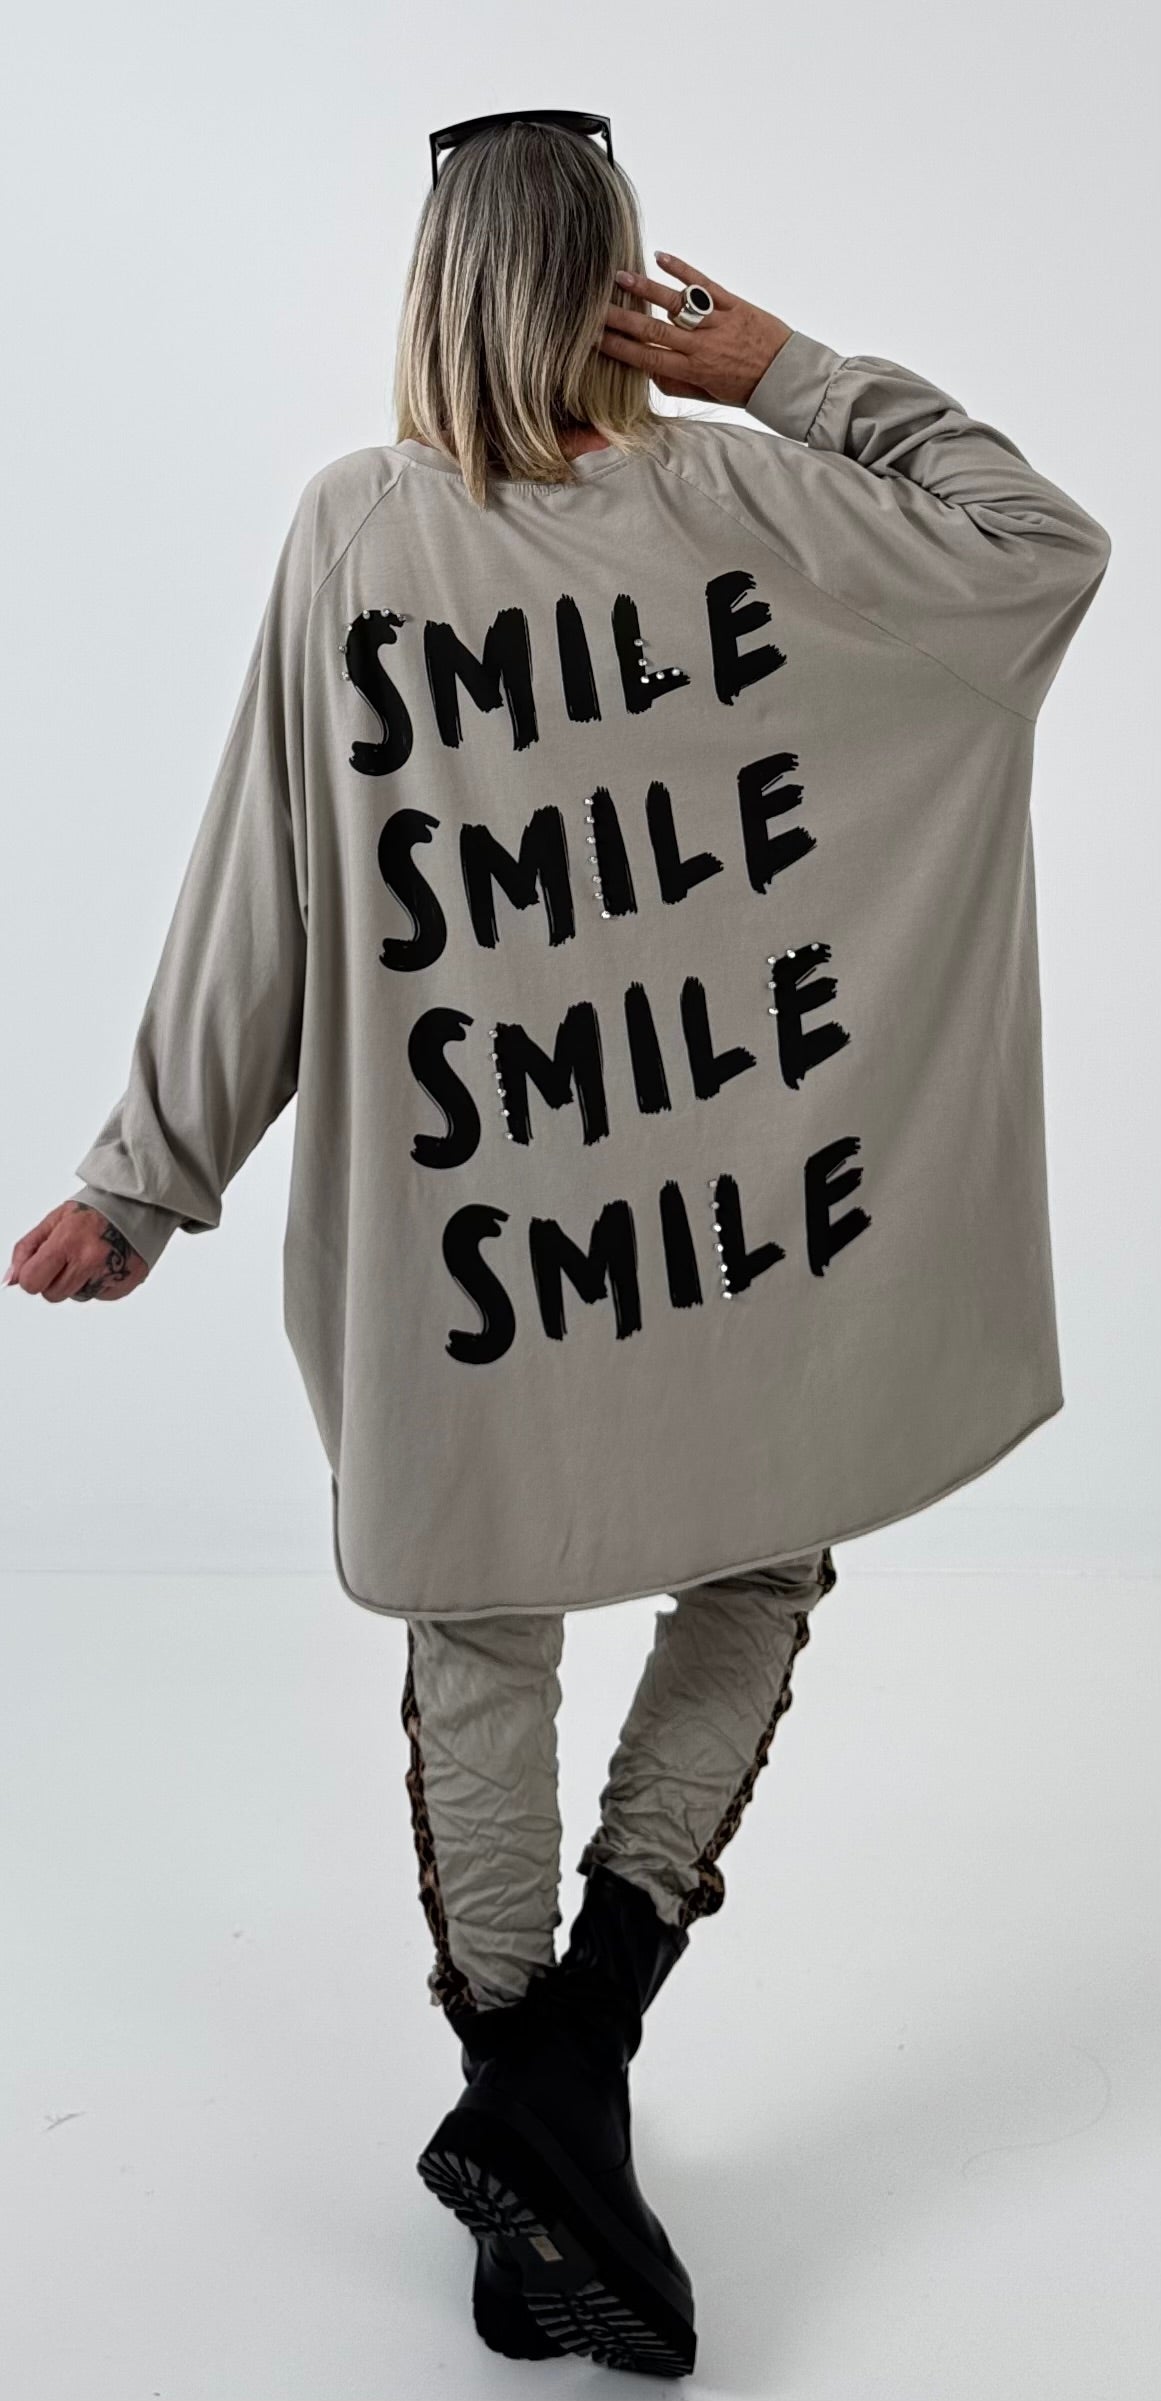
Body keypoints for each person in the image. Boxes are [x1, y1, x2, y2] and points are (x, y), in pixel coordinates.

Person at [5, 107, 1111, 2380]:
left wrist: (146, 1172)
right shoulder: (763, 503)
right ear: (624, 279)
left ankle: (536, 2099)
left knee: (477, 1626)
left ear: (431, 283)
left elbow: (265, 886)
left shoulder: (359, 529)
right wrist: (781, 369)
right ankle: (569, 2079)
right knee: (761, 1567)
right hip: (737, 1235)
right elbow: (1036, 540)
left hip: (482, 1253)